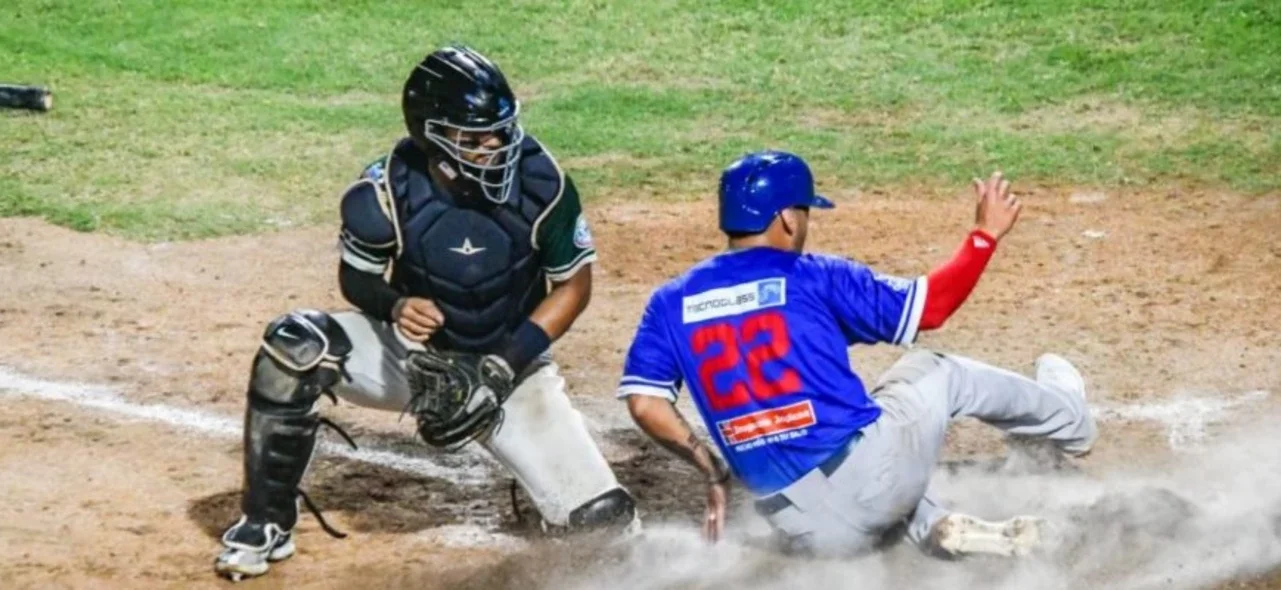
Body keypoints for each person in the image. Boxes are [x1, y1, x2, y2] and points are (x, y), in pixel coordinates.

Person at [214, 45, 636, 581]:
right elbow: (355, 277)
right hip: (412, 360)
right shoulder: (386, 190)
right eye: (474, 136)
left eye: (501, 130)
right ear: (431, 134)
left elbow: (573, 286)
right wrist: (394, 305)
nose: (495, 145)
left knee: (603, 525)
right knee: (295, 344)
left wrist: (503, 365)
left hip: (511, 370)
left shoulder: (541, 182)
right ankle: (264, 521)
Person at [616, 150, 1097, 558]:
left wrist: (713, 470)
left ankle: (938, 527)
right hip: (874, 481)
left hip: (804, 531)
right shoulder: (813, 275)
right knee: (931, 370)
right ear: (786, 217)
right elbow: (930, 309)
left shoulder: (669, 302)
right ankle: (1072, 421)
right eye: (804, 210)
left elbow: (645, 403)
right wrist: (983, 235)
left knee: (858, 440)